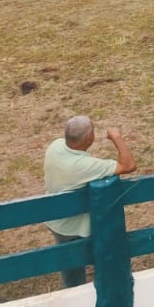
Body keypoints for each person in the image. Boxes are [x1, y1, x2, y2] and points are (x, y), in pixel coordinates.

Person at [43, 115, 137, 288]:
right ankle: (112, 285)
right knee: (104, 254)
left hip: (56, 220)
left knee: (71, 266)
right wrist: (116, 137)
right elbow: (129, 165)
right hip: (74, 227)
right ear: (88, 138)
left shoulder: (54, 146)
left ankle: (76, 288)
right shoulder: (83, 166)